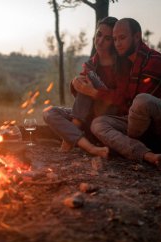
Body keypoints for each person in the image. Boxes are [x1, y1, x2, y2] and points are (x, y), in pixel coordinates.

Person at [89, 18, 161, 167]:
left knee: (142, 101)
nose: (117, 43)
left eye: (122, 38)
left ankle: (124, 143)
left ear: (137, 37)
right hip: (137, 121)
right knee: (98, 124)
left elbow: (135, 104)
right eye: (115, 39)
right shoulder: (128, 63)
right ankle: (147, 155)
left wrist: (98, 94)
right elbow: (127, 104)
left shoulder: (154, 61)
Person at [43, 16, 124, 158]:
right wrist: (75, 83)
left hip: (110, 116)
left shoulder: (123, 65)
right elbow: (82, 100)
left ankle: (69, 139)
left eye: (107, 38)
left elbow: (123, 99)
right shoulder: (90, 64)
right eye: (98, 35)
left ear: (114, 42)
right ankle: (91, 148)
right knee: (49, 113)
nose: (100, 41)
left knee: (90, 77)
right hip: (89, 115)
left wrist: (94, 92)